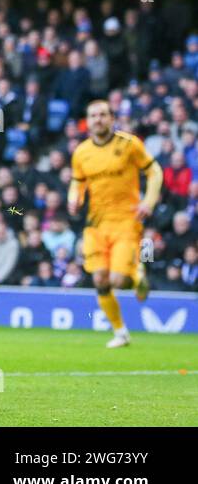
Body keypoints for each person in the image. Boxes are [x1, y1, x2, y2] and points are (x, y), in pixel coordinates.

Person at [69, 99, 164, 348]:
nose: (98, 119)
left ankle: (138, 274)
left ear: (112, 118)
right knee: (99, 279)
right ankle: (121, 332)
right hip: (96, 223)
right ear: (87, 122)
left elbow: (155, 171)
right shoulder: (81, 152)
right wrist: (74, 199)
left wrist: (149, 202)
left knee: (118, 280)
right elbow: (77, 182)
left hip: (126, 221)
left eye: (103, 115)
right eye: (93, 116)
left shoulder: (130, 144)